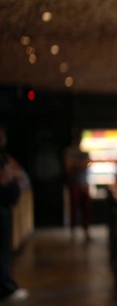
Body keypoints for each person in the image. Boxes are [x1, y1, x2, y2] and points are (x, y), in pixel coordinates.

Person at [0, 127, 29, 302]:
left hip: (5, 207)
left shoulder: (4, 156)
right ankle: (6, 288)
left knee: (4, 250)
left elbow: (16, 175)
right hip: (1, 208)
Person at [63, 131, 92, 241]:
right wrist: (80, 164)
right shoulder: (69, 152)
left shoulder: (81, 153)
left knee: (86, 209)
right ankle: (73, 232)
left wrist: (75, 164)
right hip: (74, 184)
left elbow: (84, 165)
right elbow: (68, 167)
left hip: (83, 184)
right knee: (73, 208)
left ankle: (86, 231)